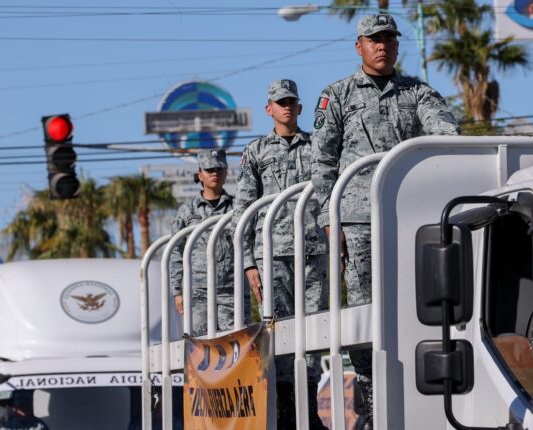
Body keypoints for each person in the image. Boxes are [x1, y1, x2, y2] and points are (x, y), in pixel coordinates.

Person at [310, 13, 459, 428]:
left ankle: (417, 392)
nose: (383, 46)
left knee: (417, 304)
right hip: (357, 220)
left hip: (410, 220)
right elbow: (322, 163)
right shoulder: (336, 96)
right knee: (364, 311)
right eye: (374, 40)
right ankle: (373, 398)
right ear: (359, 46)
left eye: (390, 40)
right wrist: (330, 219)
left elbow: (444, 135)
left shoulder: (419, 93)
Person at [233, 79, 328, 430]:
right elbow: (241, 213)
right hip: (271, 256)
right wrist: (247, 263)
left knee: (315, 328)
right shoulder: (256, 151)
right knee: (278, 331)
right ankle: (285, 409)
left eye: (291, 101)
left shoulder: (318, 146)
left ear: (300, 108)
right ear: (268, 109)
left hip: (313, 251)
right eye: (279, 102)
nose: (286, 107)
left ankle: (308, 406)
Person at [170, 149, 243, 337]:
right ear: (199, 174)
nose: (215, 174)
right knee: (199, 345)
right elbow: (177, 251)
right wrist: (177, 290)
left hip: (231, 288)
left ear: (226, 173)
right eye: (209, 169)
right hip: (197, 290)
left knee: (234, 342)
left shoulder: (237, 208)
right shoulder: (187, 211)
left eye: (219, 169)